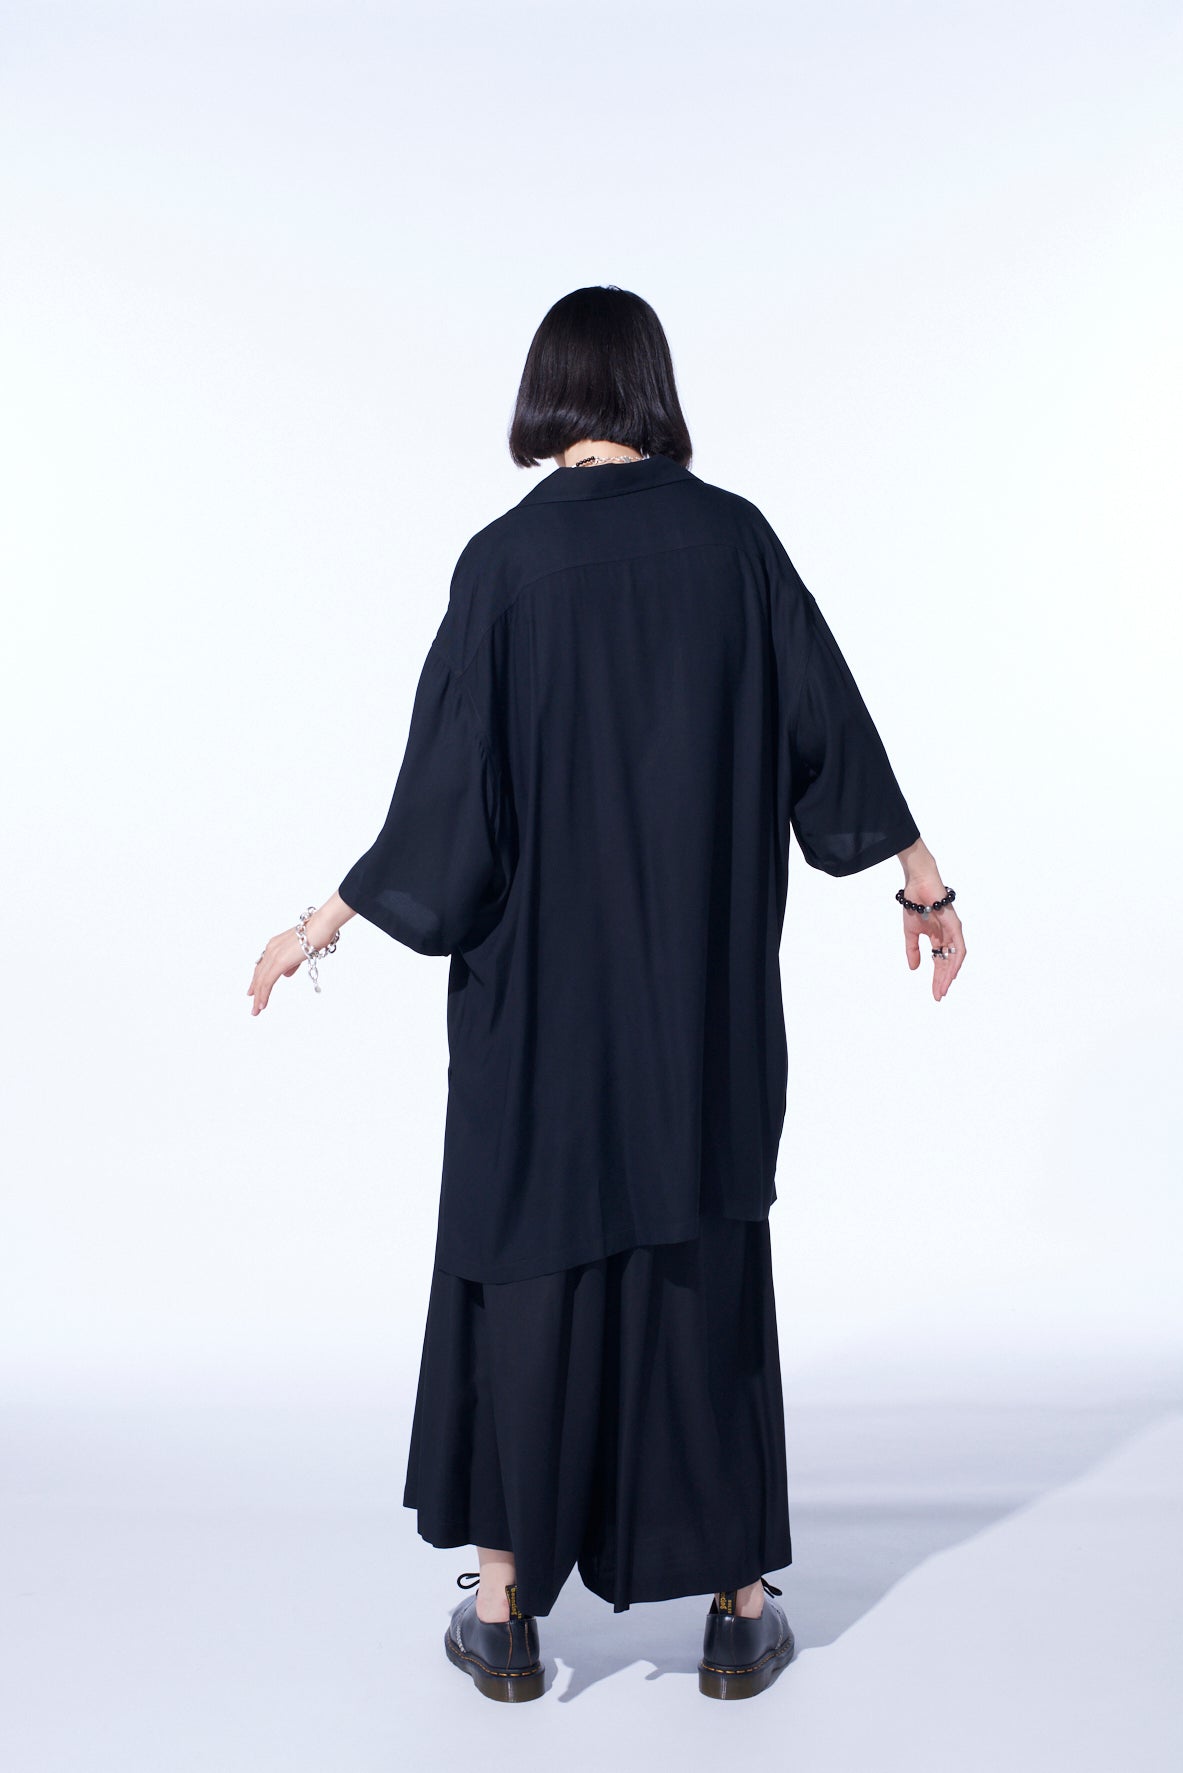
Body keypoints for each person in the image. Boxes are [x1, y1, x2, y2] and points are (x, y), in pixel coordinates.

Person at [248, 285, 966, 1703]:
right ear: (651, 389)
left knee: (524, 1270)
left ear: (549, 393)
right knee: (703, 1264)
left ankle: (506, 1616)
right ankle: (739, 1613)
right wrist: (923, 885)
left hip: (540, 1026)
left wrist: (320, 921)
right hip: (696, 1021)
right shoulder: (735, 543)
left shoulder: (504, 566)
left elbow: (442, 812)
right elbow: (832, 734)